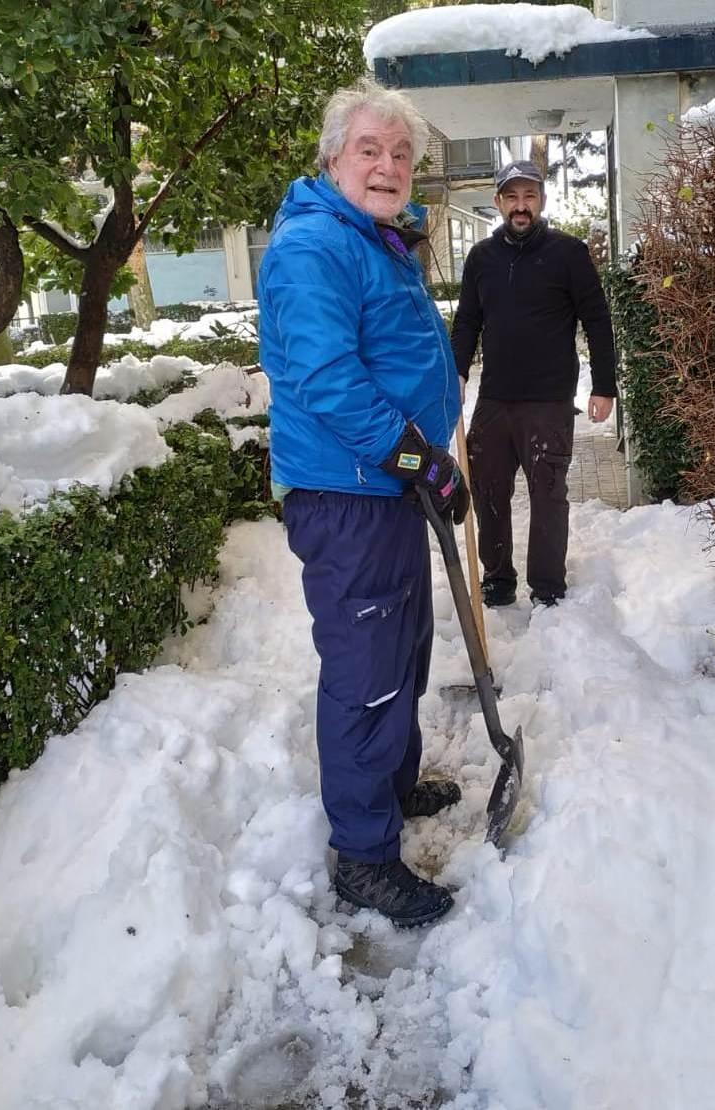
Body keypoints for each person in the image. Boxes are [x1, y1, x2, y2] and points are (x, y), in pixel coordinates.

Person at [258, 80, 469, 928]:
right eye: (369, 151)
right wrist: (421, 459)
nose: (387, 166)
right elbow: (329, 382)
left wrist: (424, 464)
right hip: (349, 493)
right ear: (332, 158)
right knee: (367, 675)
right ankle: (364, 856)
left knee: (402, 650)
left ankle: (390, 783)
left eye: (401, 155)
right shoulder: (315, 248)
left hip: (383, 486)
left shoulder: (372, 237)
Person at [450, 160, 617, 609]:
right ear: (499, 203)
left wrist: (604, 386)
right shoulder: (481, 259)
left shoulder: (568, 253)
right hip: (495, 398)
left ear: (541, 201)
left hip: (548, 401)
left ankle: (546, 586)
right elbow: (467, 321)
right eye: (511, 197)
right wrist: (457, 372)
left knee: (547, 495)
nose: (520, 207)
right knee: (487, 491)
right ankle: (498, 578)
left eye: (529, 197)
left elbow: (597, 321)